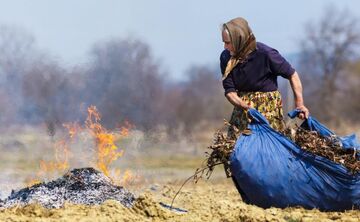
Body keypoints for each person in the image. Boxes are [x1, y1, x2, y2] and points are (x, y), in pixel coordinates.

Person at [220, 17, 309, 140]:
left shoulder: (266, 54)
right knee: (238, 151)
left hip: (268, 110)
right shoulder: (226, 58)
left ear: (239, 40)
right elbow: (230, 92)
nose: (225, 47)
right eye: (223, 42)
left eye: (228, 42)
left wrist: (299, 104)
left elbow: (292, 75)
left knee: (270, 148)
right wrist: (245, 106)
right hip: (242, 110)